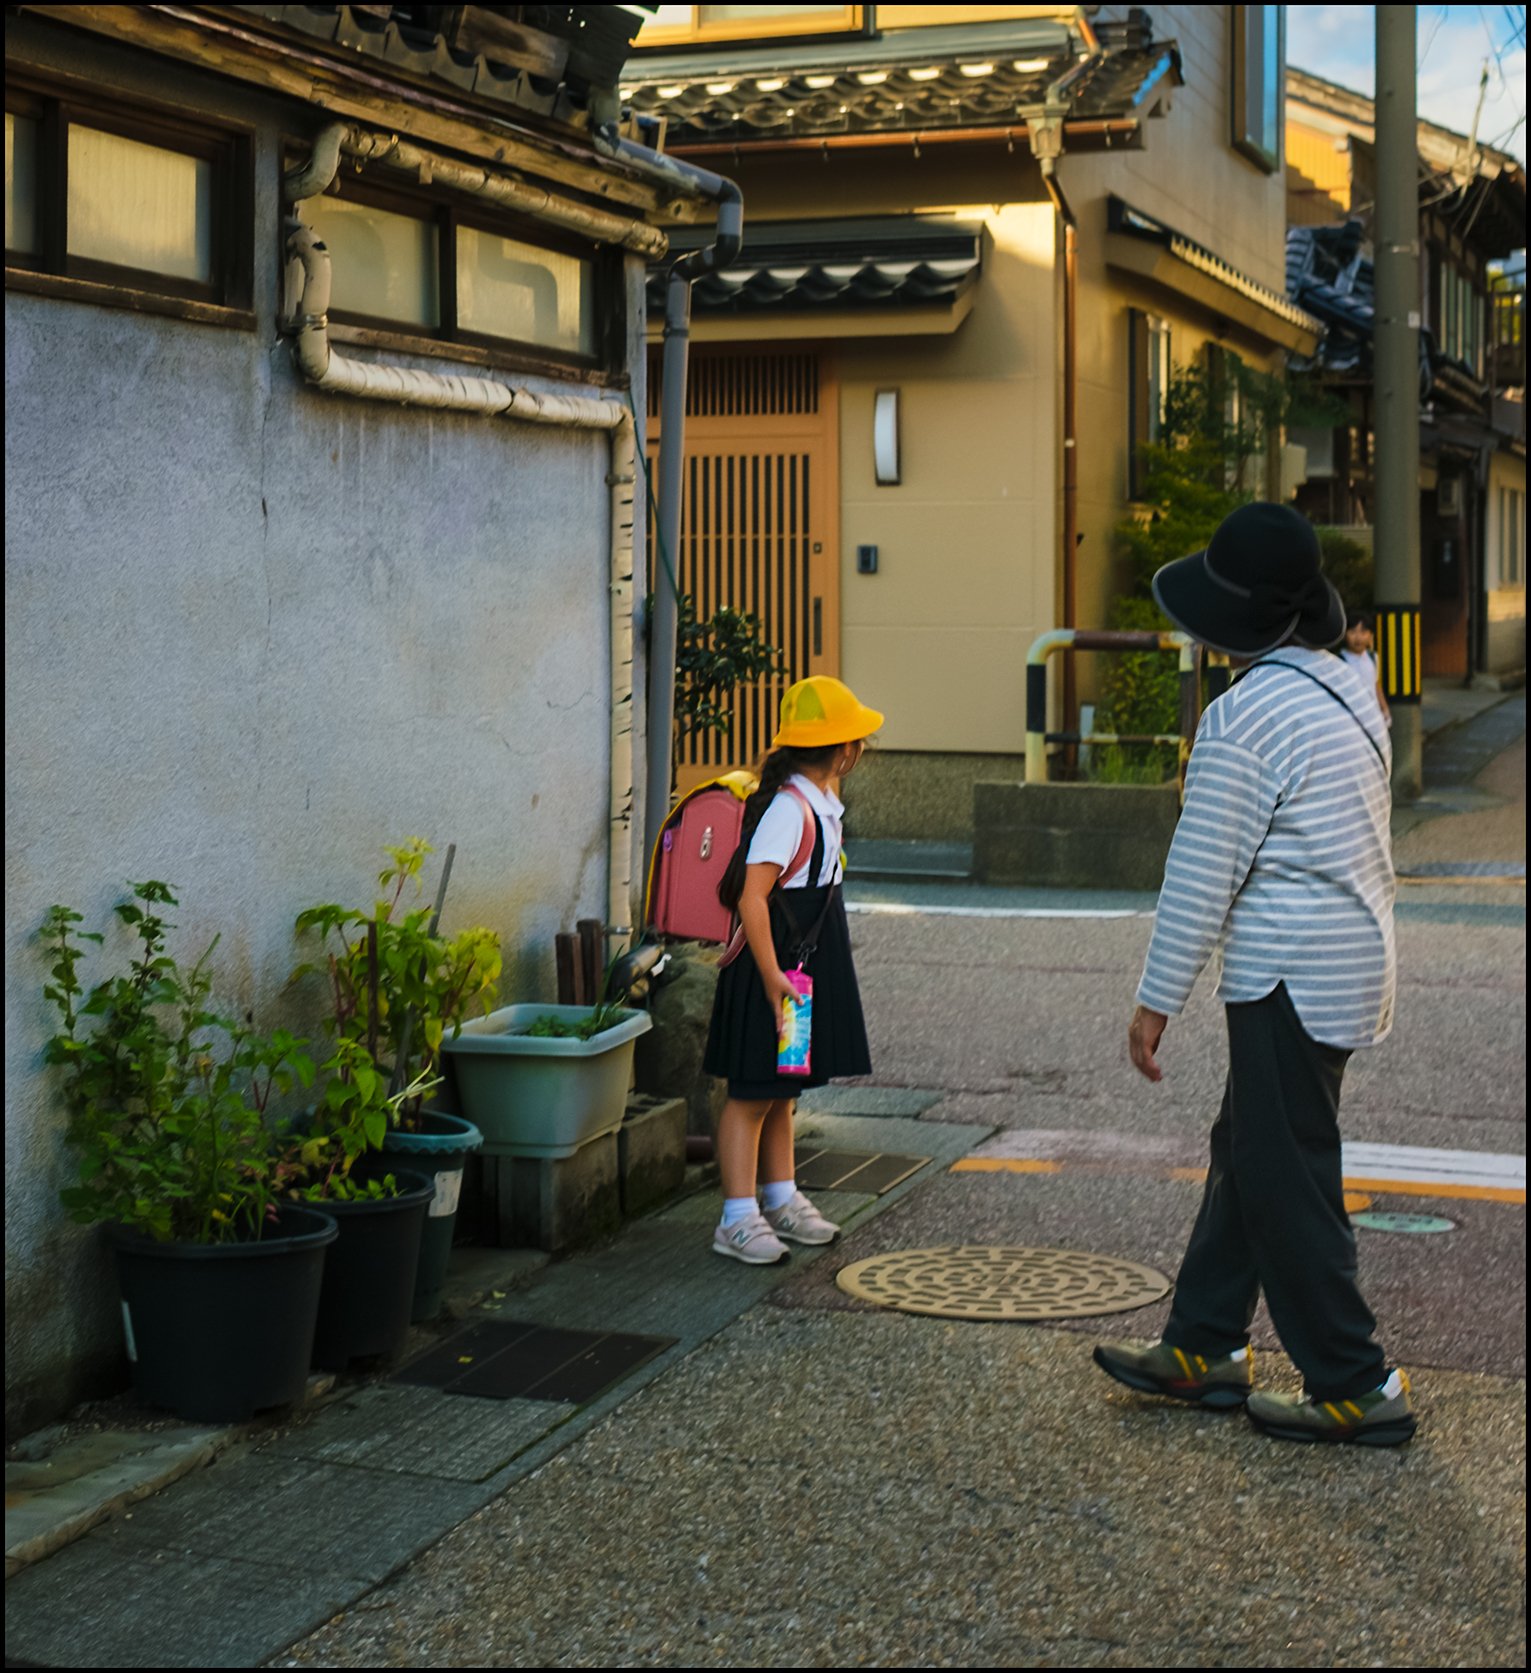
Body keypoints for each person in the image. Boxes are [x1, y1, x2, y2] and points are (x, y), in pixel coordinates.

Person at [1093, 501, 1417, 1447]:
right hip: (1348, 959)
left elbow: (1201, 871)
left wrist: (1155, 1002)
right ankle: (1201, 1345)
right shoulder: (1350, 684)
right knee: (1252, 1147)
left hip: (1287, 972)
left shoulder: (1246, 715)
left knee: (1285, 1176)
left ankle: (1355, 1383)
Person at [703, 675, 883, 1264]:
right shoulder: (790, 809)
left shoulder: (817, 805)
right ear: (847, 751)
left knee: (782, 1091)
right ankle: (736, 1217)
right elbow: (753, 897)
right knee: (753, 1092)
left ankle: (781, 1198)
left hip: (796, 967)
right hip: (775, 968)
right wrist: (771, 974)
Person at [1340, 609, 1392, 729]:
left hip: (1373, 715)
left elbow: (1376, 684)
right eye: (1352, 631)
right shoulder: (1340, 660)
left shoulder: (1373, 657)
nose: (1358, 637)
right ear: (1345, 634)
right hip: (1351, 718)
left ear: (1370, 635)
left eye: (1363, 632)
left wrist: (1385, 709)